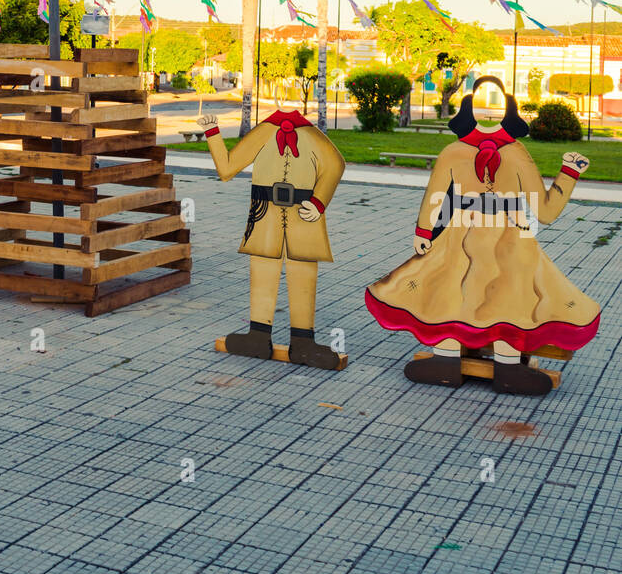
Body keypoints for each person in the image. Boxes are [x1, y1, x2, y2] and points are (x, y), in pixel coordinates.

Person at [365, 76, 600, 395]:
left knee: (504, 294)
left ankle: (507, 365)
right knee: (451, 290)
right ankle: (448, 360)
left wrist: (569, 173)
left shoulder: (514, 155)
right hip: (464, 234)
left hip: (505, 238)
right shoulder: (458, 153)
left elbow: (543, 210)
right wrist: (423, 231)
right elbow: (437, 192)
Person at [197, 107, 345, 369]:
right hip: (265, 214)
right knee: (263, 272)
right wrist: (212, 133)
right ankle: (258, 335)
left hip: (303, 216)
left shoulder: (311, 135)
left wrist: (319, 201)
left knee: (303, 274)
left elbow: (335, 165)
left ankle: (303, 341)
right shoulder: (264, 132)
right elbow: (227, 168)